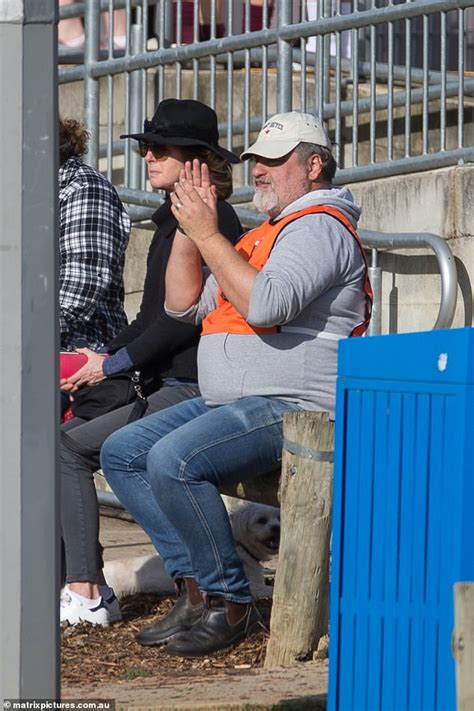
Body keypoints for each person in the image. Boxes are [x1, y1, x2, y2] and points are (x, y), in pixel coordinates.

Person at [101, 111, 372, 656]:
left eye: (274, 161)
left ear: (314, 164)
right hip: (234, 401)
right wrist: (188, 228)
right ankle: (196, 589)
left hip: (295, 406)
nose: (260, 172)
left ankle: (235, 601)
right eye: (255, 162)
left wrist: (207, 231)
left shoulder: (318, 224)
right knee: (123, 452)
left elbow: (268, 304)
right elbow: (184, 305)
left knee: (173, 461)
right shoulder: (263, 235)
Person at [59, 100, 242, 626]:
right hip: (163, 379)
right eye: (145, 146)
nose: (148, 156)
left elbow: (181, 321)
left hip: (191, 385)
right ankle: (186, 587)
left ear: (198, 160)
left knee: (77, 449)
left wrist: (115, 363)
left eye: (161, 148)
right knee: (65, 438)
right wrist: (106, 356)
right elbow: (148, 316)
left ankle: (96, 591)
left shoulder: (211, 221)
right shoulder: (171, 222)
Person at [59, 118, 130, 352]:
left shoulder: (84, 189)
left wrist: (14, 333)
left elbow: (78, 293)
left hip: (83, 350)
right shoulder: (21, 192)